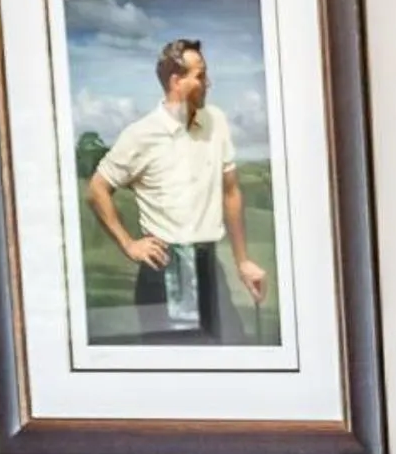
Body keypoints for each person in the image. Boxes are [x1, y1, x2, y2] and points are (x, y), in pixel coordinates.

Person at [86, 38, 268, 342]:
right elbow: (96, 190)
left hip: (210, 267)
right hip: (165, 272)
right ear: (176, 81)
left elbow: (231, 192)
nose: (207, 82)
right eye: (200, 75)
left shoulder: (216, 121)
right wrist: (129, 244)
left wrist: (243, 261)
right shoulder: (140, 135)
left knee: (234, 358)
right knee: (176, 374)